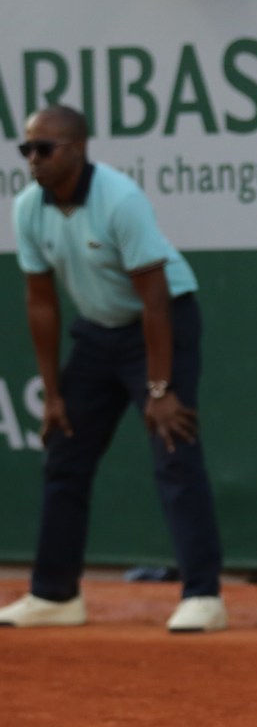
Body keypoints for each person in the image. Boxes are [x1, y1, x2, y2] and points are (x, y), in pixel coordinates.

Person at [0, 105, 227, 634]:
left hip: (161, 320)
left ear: (77, 150)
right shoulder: (29, 207)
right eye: (26, 149)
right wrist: (53, 393)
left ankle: (203, 596)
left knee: (174, 448)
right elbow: (41, 302)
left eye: (44, 148)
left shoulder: (120, 200)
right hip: (97, 333)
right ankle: (54, 595)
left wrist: (160, 388)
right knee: (64, 452)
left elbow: (154, 300)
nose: (33, 159)